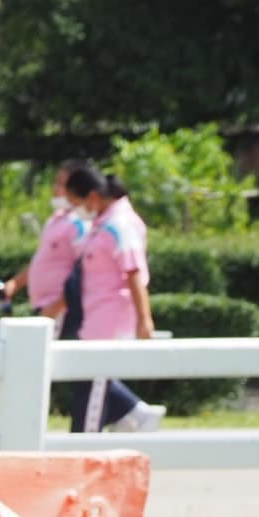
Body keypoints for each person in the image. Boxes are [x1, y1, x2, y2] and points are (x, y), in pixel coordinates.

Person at [66, 166, 166, 433]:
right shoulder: (103, 224)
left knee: (92, 391)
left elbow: (133, 272)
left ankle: (131, 416)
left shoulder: (119, 225)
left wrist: (144, 320)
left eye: (76, 203)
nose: (75, 210)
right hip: (95, 320)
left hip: (109, 321)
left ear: (93, 196)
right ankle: (135, 413)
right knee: (89, 383)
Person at [0, 159, 92, 336]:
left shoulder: (80, 224)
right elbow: (42, 261)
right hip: (45, 310)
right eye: (56, 183)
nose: (55, 189)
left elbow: (83, 273)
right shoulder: (55, 220)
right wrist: (14, 284)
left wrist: (57, 306)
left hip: (62, 313)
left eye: (62, 184)